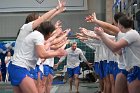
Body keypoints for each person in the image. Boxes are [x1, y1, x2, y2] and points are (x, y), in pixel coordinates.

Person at [94, 15, 140, 93]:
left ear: (120, 25)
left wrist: (101, 34)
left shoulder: (131, 34)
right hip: (129, 68)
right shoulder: (125, 34)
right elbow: (118, 51)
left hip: (136, 68)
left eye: (117, 24)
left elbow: (114, 47)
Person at [85, 12, 129, 93]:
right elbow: (106, 36)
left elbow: (108, 30)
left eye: (115, 25)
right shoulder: (118, 36)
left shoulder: (125, 33)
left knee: (117, 85)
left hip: (121, 64)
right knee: (113, 84)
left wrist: (96, 21)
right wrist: (89, 35)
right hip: (117, 64)